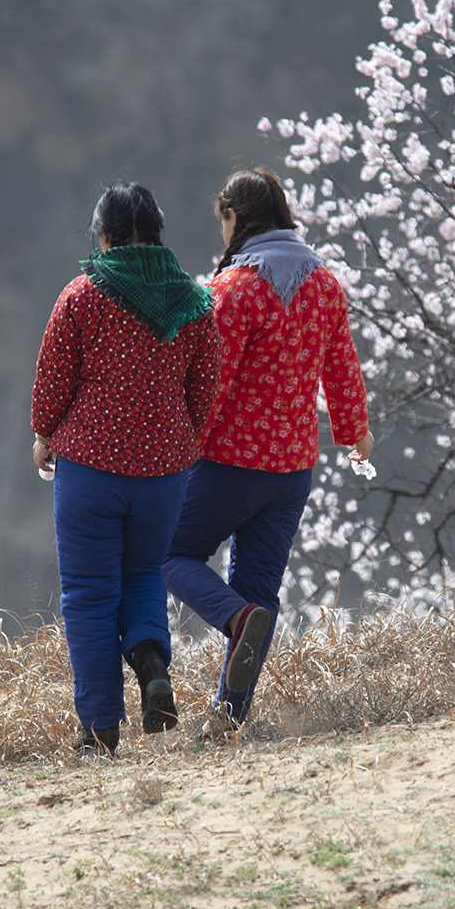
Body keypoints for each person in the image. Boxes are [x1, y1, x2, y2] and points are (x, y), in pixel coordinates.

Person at [165, 167, 371, 731]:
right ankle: (227, 718)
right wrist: (356, 432)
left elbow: (212, 381)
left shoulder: (232, 288)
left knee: (167, 552)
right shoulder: (326, 284)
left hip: (229, 464)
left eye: (223, 221)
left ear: (235, 218)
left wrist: (182, 447)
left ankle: (234, 618)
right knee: (260, 586)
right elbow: (342, 369)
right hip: (291, 472)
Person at [30, 184, 220, 754]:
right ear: (158, 234)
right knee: (143, 576)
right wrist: (172, 442)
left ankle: (99, 730)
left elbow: (51, 386)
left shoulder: (82, 295)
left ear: (105, 238)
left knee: (89, 593)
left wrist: (44, 434)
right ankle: (152, 665)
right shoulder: (192, 301)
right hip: (164, 475)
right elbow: (203, 392)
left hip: (90, 469)